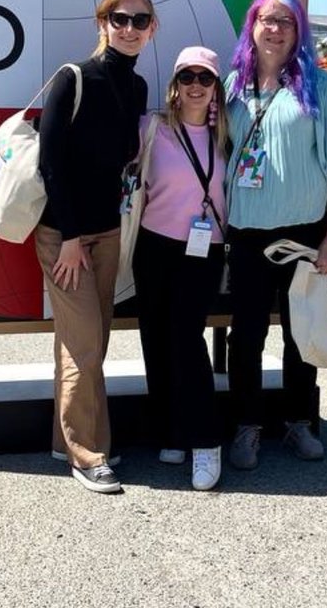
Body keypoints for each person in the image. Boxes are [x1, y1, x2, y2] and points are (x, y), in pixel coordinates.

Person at [225, 0, 327, 471]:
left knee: (302, 333)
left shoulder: (321, 88)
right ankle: (246, 425)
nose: (276, 29)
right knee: (245, 336)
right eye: (268, 18)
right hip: (246, 236)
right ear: (253, 25)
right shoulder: (232, 86)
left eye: (286, 21)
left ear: (299, 30)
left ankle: (299, 421)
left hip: (305, 235)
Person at [37, 0, 156, 494]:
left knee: (89, 341)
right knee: (84, 345)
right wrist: (68, 236)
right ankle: (87, 454)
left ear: (151, 30)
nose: (129, 28)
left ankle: (71, 440)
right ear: (102, 23)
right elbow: (50, 163)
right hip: (64, 235)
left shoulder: (138, 89)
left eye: (140, 21)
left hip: (107, 230)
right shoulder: (73, 78)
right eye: (120, 19)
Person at [133, 46, 229, 492]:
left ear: (216, 88)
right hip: (154, 245)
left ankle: (206, 441)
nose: (195, 85)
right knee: (156, 337)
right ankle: (170, 430)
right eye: (187, 76)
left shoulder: (229, 136)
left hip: (203, 251)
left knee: (187, 339)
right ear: (174, 84)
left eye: (204, 78)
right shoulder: (152, 128)